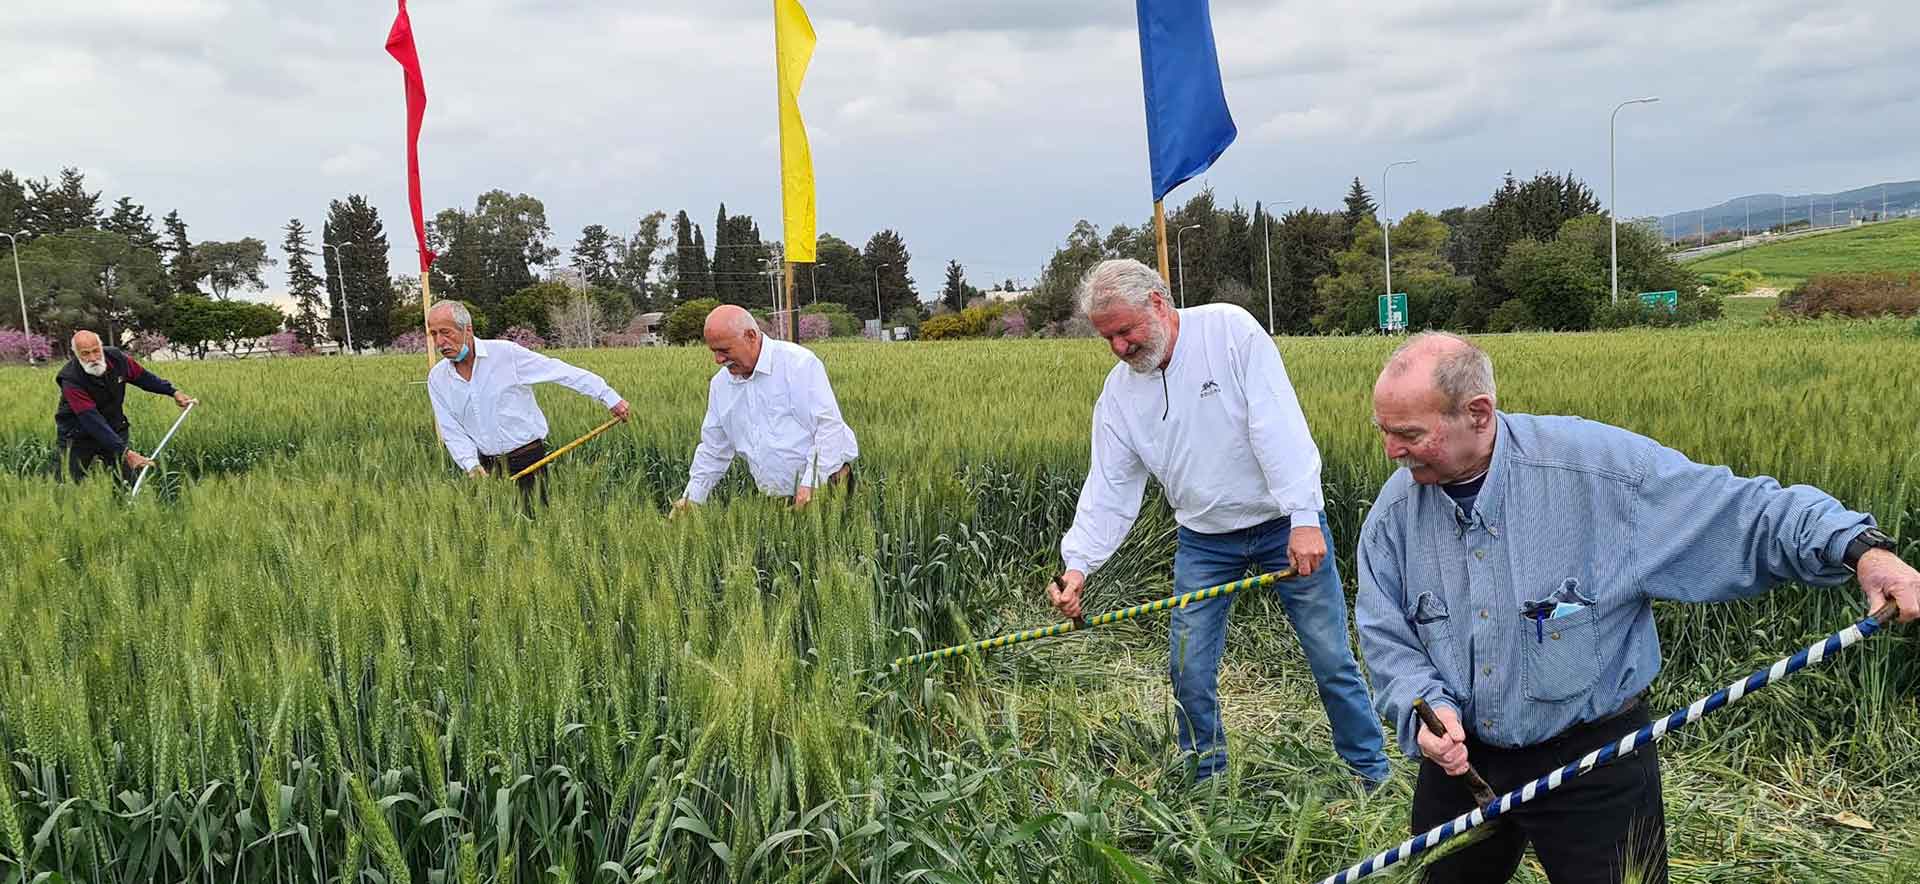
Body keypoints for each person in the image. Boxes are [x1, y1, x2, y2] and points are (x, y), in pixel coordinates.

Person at [1353, 331, 1920, 884]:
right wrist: (1425, 706)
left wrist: (1861, 550)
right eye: (1383, 431)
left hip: (1594, 760)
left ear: (1478, 413)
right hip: (1459, 762)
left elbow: (1738, 511)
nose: (1391, 451)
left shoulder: (1603, 475)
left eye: (1408, 434)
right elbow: (1387, 635)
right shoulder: (1394, 514)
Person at [1045, 258, 1391, 787]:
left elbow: (1278, 423)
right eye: (1107, 337)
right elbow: (1110, 486)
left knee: (1330, 659)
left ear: (1158, 304)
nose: (1118, 347)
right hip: (1204, 543)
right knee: (1188, 669)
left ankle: (1371, 774)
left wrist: (1303, 516)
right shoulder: (1119, 395)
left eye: (1125, 331)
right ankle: (1206, 782)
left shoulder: (1229, 331)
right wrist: (1078, 565)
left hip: (1283, 526)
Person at [425, 300, 629, 513]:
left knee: (537, 529)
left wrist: (609, 397)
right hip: (486, 468)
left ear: (468, 329)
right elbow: (451, 429)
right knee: (498, 534)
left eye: (446, 332)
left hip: (528, 460)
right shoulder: (438, 378)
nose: (440, 341)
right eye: (434, 334)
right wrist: (471, 464)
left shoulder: (506, 355)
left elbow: (559, 371)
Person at [673, 305, 859, 513]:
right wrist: (692, 497)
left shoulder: (798, 364)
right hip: (774, 499)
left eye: (724, 350)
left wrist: (811, 483)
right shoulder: (720, 385)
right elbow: (714, 448)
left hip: (827, 488)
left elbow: (828, 427)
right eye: (713, 352)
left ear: (751, 336)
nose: (718, 360)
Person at [54, 330, 195, 482]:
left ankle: (127, 504)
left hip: (114, 427)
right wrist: (125, 452)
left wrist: (173, 392)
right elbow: (91, 419)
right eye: (85, 354)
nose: (93, 358)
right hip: (77, 435)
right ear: (76, 354)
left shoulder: (117, 359)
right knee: (67, 484)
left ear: (101, 347)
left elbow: (143, 377)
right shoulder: (71, 379)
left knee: (126, 482)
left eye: (96, 351)